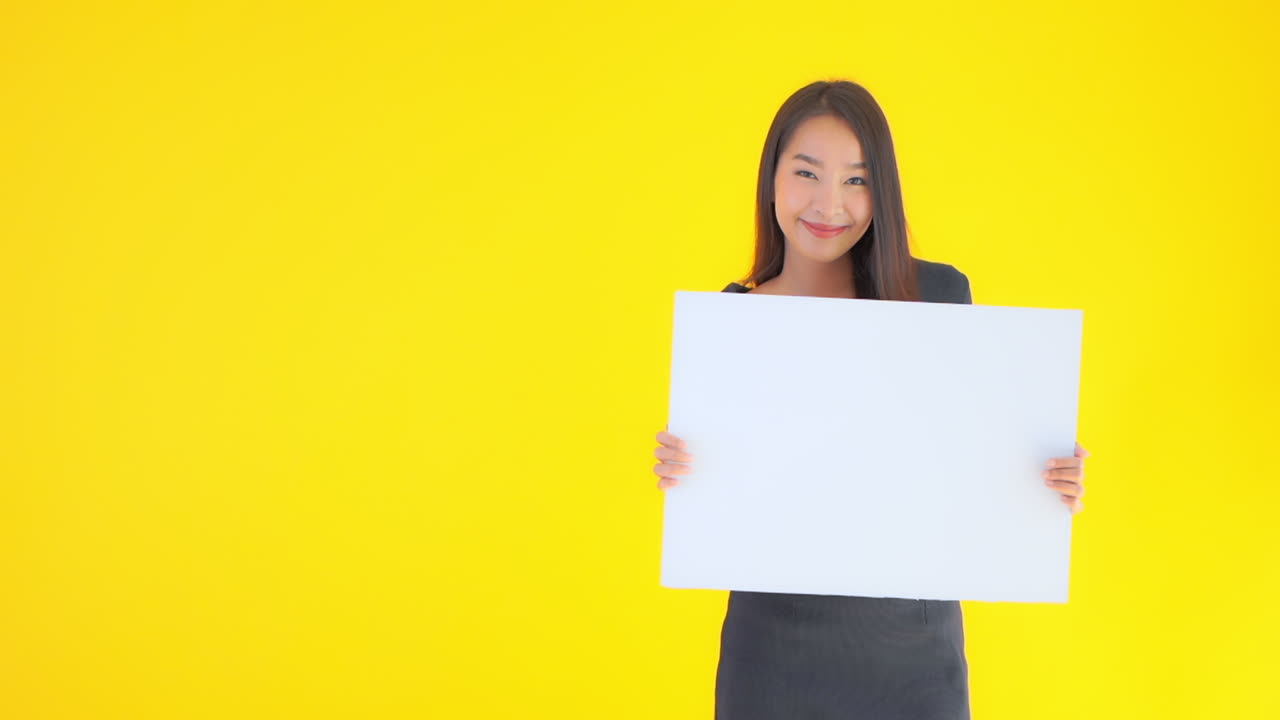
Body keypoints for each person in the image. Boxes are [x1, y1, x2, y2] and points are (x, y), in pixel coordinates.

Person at [651, 79, 1090, 720]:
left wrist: (1042, 478)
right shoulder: (734, 321)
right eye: (807, 173)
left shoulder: (937, 297)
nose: (830, 203)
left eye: (857, 180)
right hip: (771, 657)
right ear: (771, 178)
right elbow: (736, 490)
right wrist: (687, 470)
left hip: (914, 657)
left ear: (881, 190)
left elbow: (970, 464)